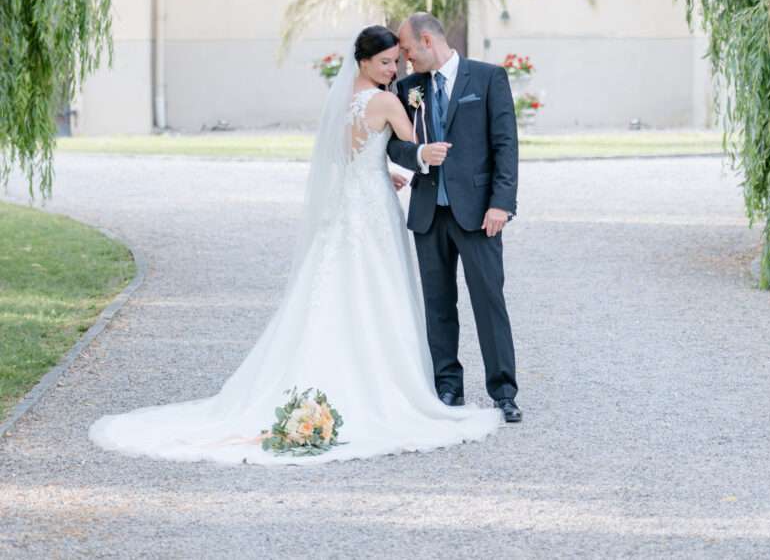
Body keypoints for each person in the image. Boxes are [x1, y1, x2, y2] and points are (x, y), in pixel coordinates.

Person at [88, 26, 502, 466]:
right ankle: (381, 385)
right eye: (384, 63)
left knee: (332, 291)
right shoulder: (386, 100)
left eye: (395, 63)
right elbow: (412, 147)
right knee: (377, 289)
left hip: (346, 207)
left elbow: (345, 158)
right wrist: (413, 160)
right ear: (362, 62)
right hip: (371, 212)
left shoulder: (341, 101)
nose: (393, 70)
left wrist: (384, 171)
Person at [387, 12, 522, 423]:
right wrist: (418, 157)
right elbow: (394, 146)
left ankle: (503, 392)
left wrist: (501, 203)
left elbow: (506, 145)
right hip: (429, 214)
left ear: (427, 41)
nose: (405, 62)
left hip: (480, 214)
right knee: (438, 305)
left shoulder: (487, 78)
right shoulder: (408, 89)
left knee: (489, 301)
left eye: (408, 51)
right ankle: (448, 387)